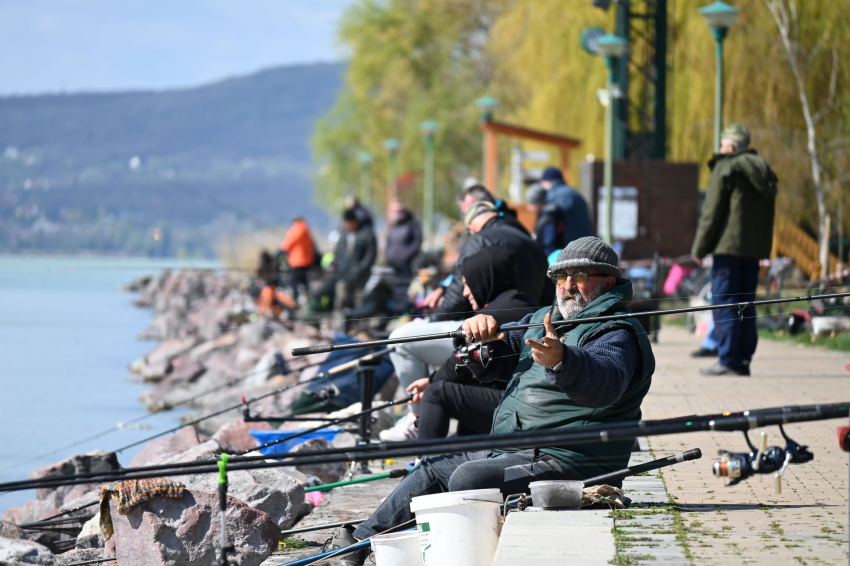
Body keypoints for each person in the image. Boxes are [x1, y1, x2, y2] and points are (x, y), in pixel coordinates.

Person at [331, 237, 655, 565]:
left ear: (609, 282)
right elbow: (499, 351)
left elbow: (604, 385)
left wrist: (562, 360)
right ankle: (359, 545)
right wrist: (478, 341)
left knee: (469, 478)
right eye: (561, 277)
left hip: (570, 462)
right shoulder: (546, 316)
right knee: (431, 469)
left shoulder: (618, 332)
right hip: (519, 448)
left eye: (580, 277)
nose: (568, 285)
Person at [404, 246, 537, 440]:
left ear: (483, 279)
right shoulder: (520, 301)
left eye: (468, 284)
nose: (465, 292)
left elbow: (461, 362)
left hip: (520, 408)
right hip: (521, 401)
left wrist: (431, 382)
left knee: (437, 392)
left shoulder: (495, 314)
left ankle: (424, 467)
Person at [691, 124, 778, 376]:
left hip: (728, 250)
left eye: (722, 145)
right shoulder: (763, 169)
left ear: (730, 147)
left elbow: (712, 211)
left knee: (725, 302)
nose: (720, 149)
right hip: (753, 251)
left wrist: (700, 247)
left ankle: (728, 359)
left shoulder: (726, 166)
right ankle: (742, 360)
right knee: (746, 303)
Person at [430, 201, 549, 320]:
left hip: (494, 324)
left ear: (470, 227)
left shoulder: (478, 240)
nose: (466, 292)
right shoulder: (530, 241)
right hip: (535, 322)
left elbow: (458, 293)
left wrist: (434, 320)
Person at [312, 209, 377, 312]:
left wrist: (360, 268)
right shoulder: (343, 235)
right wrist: (336, 265)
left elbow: (370, 255)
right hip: (343, 274)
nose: (346, 225)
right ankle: (340, 325)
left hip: (361, 276)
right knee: (341, 299)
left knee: (359, 301)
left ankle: (357, 326)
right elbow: (337, 253)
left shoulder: (366, 234)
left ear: (354, 222)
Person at [540, 166, 592, 246]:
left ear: (549, 180)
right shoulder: (573, 192)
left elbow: (550, 223)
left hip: (570, 245)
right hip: (585, 242)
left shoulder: (555, 195)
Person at [278, 216, 316, 301]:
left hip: (298, 262)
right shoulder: (307, 230)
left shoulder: (296, 229)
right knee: (304, 282)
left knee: (294, 282)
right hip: (307, 261)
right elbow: (312, 245)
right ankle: (308, 299)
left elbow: (286, 245)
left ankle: (295, 299)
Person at [383, 201, 422, 276]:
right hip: (392, 263)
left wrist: (406, 254)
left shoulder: (412, 224)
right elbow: (389, 242)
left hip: (406, 264)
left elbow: (417, 241)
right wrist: (387, 254)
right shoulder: (392, 226)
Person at [526, 183, 565, 256]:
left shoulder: (549, 219)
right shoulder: (544, 217)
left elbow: (550, 246)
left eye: (531, 203)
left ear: (538, 203)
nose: (529, 207)